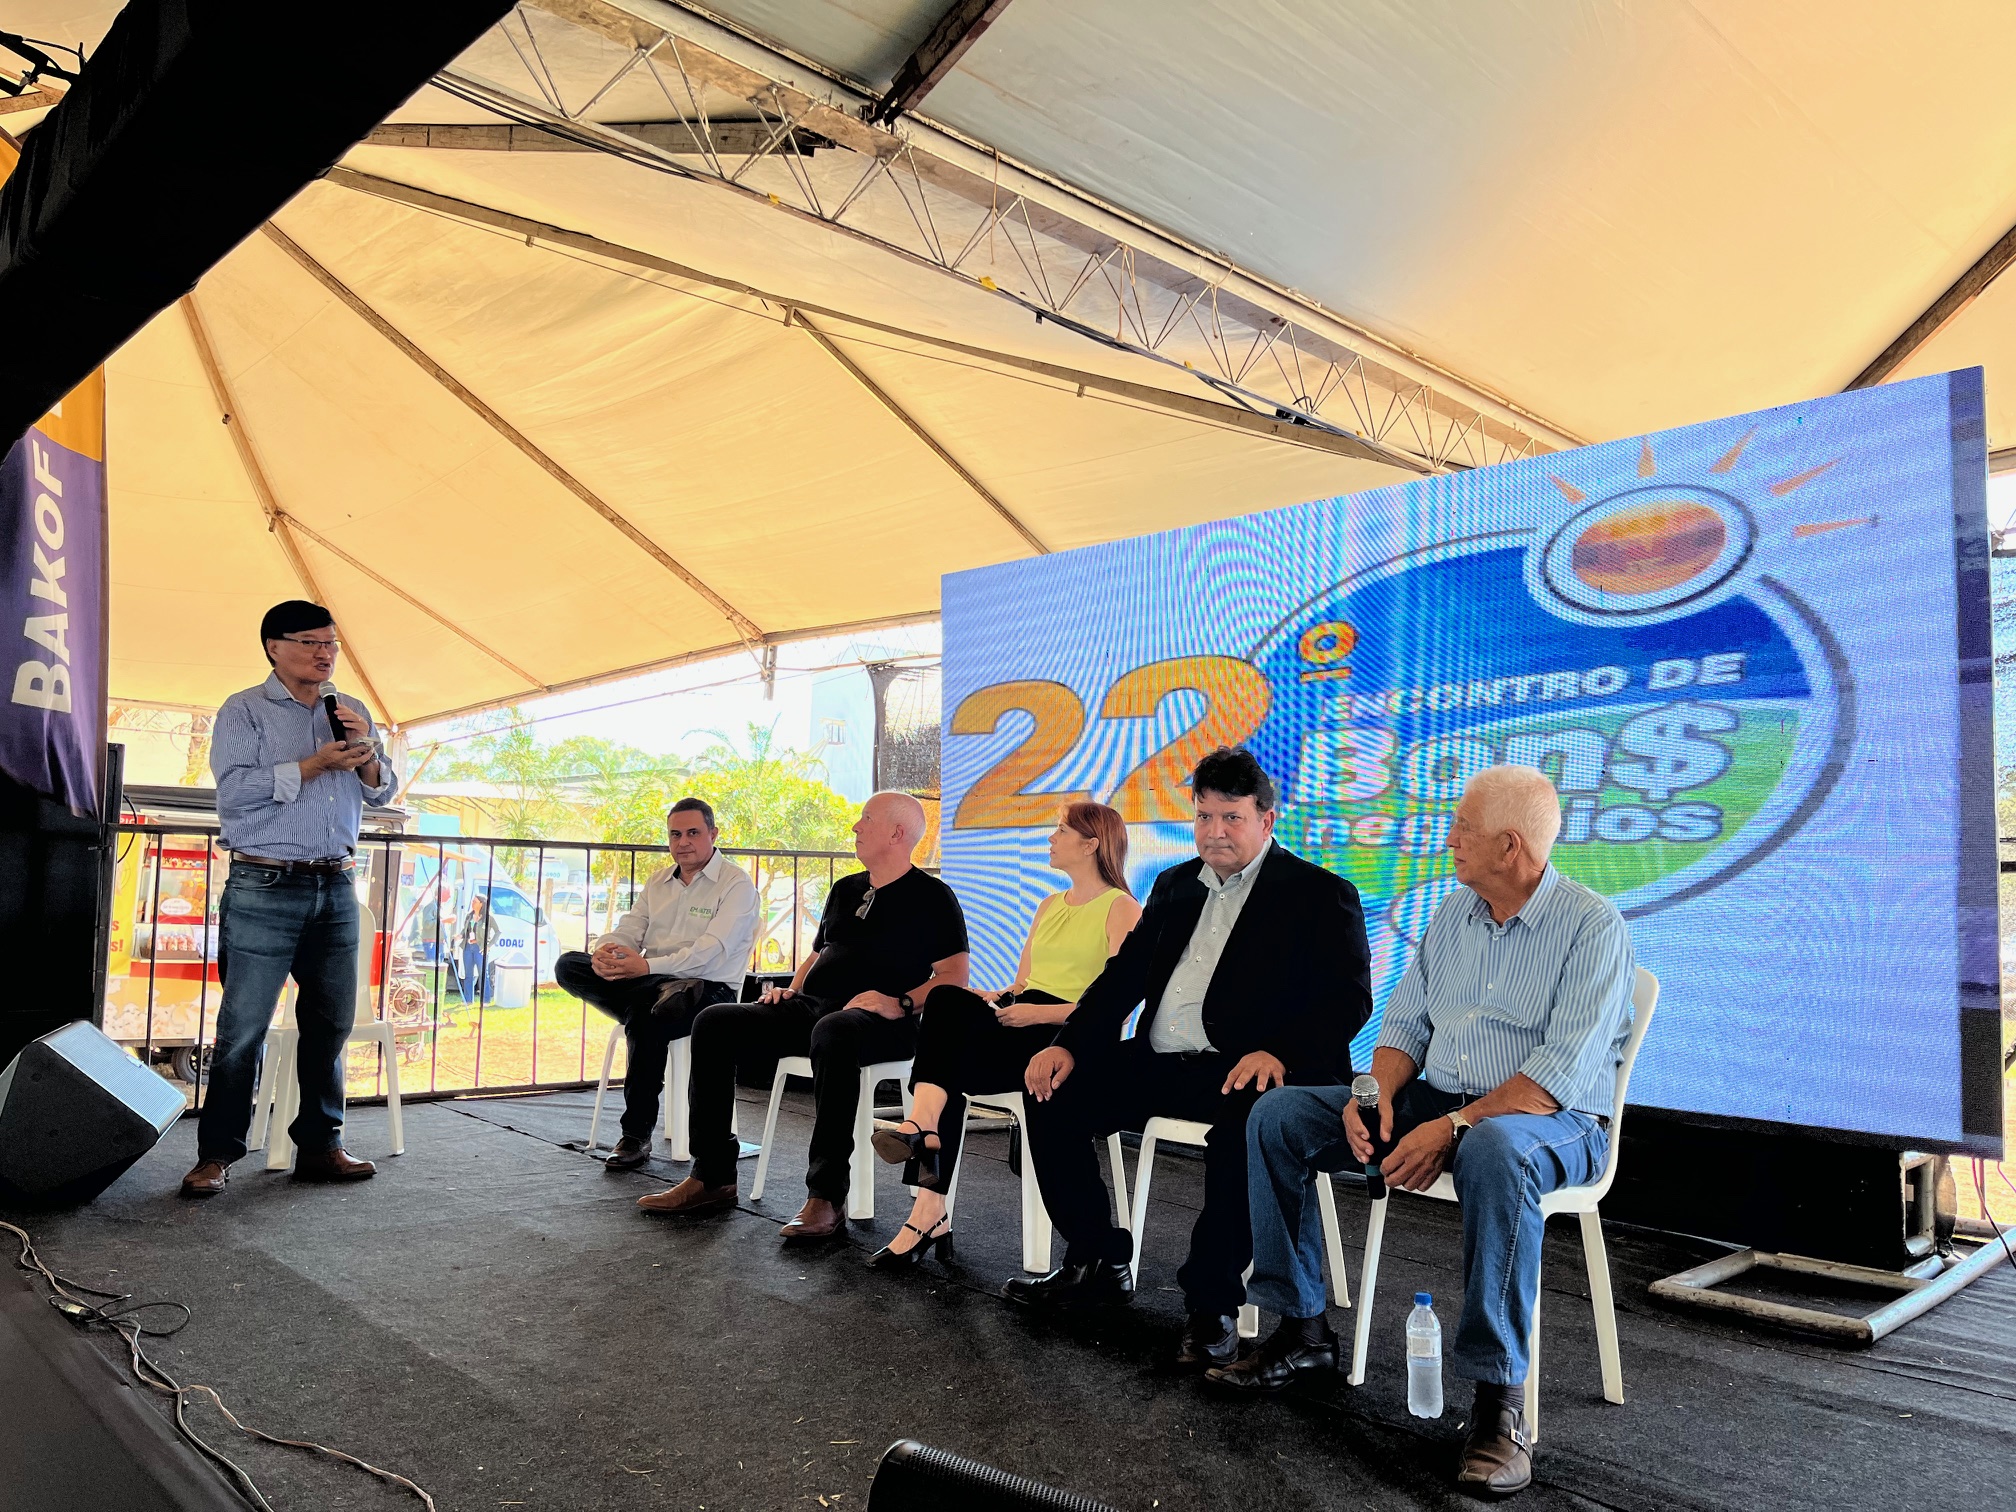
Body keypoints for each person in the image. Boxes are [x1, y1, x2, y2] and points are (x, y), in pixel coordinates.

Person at [1225, 765, 1634, 1499]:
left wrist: (1453, 1125)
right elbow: (1405, 1025)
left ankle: (1498, 1403)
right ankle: (1302, 1332)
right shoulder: (1453, 912)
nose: (1449, 841)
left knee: (1497, 1150)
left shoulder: (1592, 927)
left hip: (1555, 1121)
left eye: (1462, 829)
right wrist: (1373, 1095)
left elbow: (1553, 1079)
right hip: (1441, 1101)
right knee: (1278, 1116)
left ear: (1510, 846)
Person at [1004, 747, 1371, 1375]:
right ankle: (1098, 1258)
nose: (1214, 832)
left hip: (1253, 1069)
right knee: (1054, 1090)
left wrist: (1279, 1052)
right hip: (1164, 1060)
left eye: (1231, 817)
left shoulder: (1318, 893)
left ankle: (1211, 1306)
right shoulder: (1174, 886)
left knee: (1248, 1124)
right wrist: (1068, 1042)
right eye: (1203, 816)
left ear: (1267, 820)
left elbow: (1348, 998)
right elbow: (1122, 978)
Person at [636, 792, 969, 1241]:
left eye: (866, 819)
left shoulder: (933, 896)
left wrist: (900, 1003)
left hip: (883, 1021)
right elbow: (818, 954)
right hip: (814, 1008)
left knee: (834, 1031)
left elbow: (954, 977)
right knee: (715, 1021)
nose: (855, 827)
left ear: (897, 833)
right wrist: (791, 989)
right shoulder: (846, 888)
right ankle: (713, 1176)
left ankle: (826, 1196)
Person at [864, 801, 1143, 1269]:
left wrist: (1036, 1014)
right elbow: (1023, 984)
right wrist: (996, 998)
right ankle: (923, 1136)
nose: (1051, 838)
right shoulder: (1049, 905)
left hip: (1066, 1038)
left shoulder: (1122, 908)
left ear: (1091, 844)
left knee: (946, 1060)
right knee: (948, 1000)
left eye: (1061, 830)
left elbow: (1118, 1005)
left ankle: (925, 1194)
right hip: (1022, 1021)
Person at [179, 601, 397, 1198]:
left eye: (331, 644)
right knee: (243, 1027)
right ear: (274, 647)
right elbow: (235, 793)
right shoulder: (244, 709)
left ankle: (321, 1147)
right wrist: (314, 763)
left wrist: (365, 752)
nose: (325, 654)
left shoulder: (348, 710)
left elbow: (382, 794)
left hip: (337, 883)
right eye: (310, 642)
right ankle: (217, 1155)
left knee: (330, 1024)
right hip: (264, 884)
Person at [554, 798, 761, 1171]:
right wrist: (607, 952)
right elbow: (631, 928)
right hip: (650, 984)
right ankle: (657, 993)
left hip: (709, 990)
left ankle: (634, 1136)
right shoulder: (658, 882)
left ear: (713, 834)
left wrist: (646, 965)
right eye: (675, 834)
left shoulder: (736, 884)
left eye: (693, 833)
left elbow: (711, 952)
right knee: (570, 965)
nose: (683, 842)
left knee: (647, 1017)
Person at [456, 893, 492, 1009]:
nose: (472, 903)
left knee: (483, 974)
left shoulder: (487, 918)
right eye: (472, 901)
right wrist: (460, 935)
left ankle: (485, 1000)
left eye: (475, 901)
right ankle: (468, 1000)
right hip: (468, 947)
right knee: (468, 974)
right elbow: (465, 930)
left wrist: (488, 945)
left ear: (481, 904)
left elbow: (495, 933)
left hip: (480, 948)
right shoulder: (469, 916)